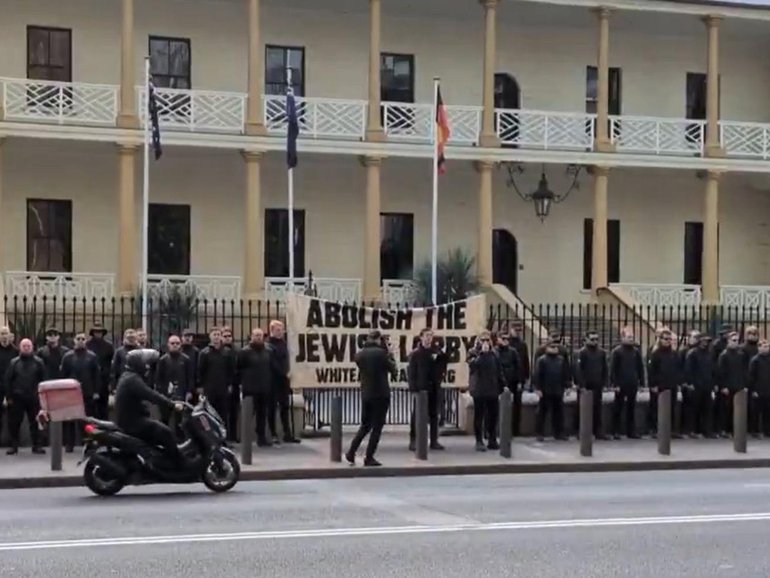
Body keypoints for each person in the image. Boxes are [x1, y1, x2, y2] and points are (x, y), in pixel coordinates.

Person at [114, 349, 186, 466]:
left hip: (131, 419)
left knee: (157, 433)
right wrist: (172, 405)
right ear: (138, 364)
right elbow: (152, 395)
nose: (147, 366)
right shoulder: (133, 380)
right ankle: (179, 464)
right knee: (166, 432)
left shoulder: (128, 376)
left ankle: (157, 460)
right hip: (133, 422)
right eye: (145, 363)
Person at [346, 330, 397, 466]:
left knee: (365, 425)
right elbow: (394, 371)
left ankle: (351, 452)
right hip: (381, 394)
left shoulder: (360, 355)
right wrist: (390, 354)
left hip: (366, 394)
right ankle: (369, 457)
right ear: (379, 339)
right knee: (377, 427)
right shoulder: (382, 354)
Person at [4, 339, 47, 455]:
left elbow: (44, 381)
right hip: (17, 398)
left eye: (28, 346)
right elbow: (8, 380)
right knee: (14, 423)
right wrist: (8, 397)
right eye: (24, 346)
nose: (26, 348)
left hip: (34, 397)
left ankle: (37, 445)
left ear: (32, 347)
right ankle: (14, 446)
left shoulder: (39, 362)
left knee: (35, 422)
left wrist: (42, 398)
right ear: (20, 347)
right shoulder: (14, 362)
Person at [60, 332, 101, 452]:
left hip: (87, 392)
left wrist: (96, 391)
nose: (81, 341)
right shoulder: (67, 357)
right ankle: (69, 444)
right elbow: (63, 375)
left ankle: (88, 442)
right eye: (78, 338)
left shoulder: (92, 356)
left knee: (87, 419)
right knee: (70, 420)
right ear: (74, 340)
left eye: (83, 339)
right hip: (71, 393)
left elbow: (96, 375)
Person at [407, 328, 447, 451]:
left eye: (431, 336)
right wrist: (413, 388)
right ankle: (413, 440)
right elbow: (411, 373)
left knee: (434, 414)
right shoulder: (415, 354)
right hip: (421, 388)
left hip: (434, 387)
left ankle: (434, 440)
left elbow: (442, 368)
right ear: (421, 337)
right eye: (427, 335)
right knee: (417, 415)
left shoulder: (436, 352)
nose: (429, 338)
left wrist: (441, 356)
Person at [468, 331, 506, 451]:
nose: (485, 343)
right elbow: (473, 366)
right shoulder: (473, 353)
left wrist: (503, 384)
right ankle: (479, 440)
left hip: (492, 389)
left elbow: (499, 370)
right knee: (479, 416)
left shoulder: (495, 354)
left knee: (493, 415)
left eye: (487, 340)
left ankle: (492, 439)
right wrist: (482, 354)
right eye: (482, 340)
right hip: (479, 389)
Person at [237, 328, 274, 447]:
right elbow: (239, 368)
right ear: (251, 337)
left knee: (262, 414)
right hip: (250, 388)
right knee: (248, 414)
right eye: (256, 335)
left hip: (264, 387)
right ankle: (245, 438)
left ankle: (261, 438)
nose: (258, 337)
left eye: (260, 335)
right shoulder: (244, 351)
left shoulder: (268, 351)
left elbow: (271, 367)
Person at [267, 320, 300, 444]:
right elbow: (272, 363)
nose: (281, 332)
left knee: (285, 407)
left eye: (282, 329)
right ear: (272, 330)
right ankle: (273, 433)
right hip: (273, 380)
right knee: (271, 407)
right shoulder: (269, 345)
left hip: (284, 381)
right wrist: (284, 373)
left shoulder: (284, 343)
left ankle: (287, 433)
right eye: (278, 330)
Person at [155, 335, 195, 435]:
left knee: (180, 420)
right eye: (172, 343)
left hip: (181, 394)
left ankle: (179, 440)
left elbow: (190, 376)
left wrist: (189, 391)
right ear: (168, 345)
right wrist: (160, 392)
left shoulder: (186, 359)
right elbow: (158, 378)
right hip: (166, 395)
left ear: (180, 344)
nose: (175, 345)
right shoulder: (163, 360)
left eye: (177, 343)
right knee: (164, 419)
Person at [609, 327, 644, 440]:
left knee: (631, 408)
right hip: (621, 383)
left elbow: (640, 367)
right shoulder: (617, 351)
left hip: (632, 383)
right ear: (622, 337)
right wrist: (615, 384)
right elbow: (613, 369)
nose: (631, 339)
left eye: (632, 337)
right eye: (629, 337)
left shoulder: (636, 351)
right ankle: (615, 431)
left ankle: (631, 431)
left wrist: (641, 382)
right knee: (618, 408)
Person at [647, 328, 682, 439]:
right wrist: (652, 385)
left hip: (671, 384)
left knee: (671, 407)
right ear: (660, 340)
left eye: (669, 339)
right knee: (656, 408)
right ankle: (655, 429)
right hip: (659, 385)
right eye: (665, 339)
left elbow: (678, 368)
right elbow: (651, 370)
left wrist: (678, 382)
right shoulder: (656, 354)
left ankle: (670, 430)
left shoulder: (674, 354)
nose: (668, 341)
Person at [533, 340, 570, 441]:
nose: (554, 348)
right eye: (552, 347)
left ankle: (559, 433)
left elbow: (565, 373)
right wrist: (538, 388)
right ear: (547, 348)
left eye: (555, 347)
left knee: (559, 413)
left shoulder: (561, 360)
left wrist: (567, 386)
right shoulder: (542, 360)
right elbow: (537, 375)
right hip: (545, 390)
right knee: (542, 412)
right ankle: (539, 433)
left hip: (558, 389)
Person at [575, 331, 608, 440]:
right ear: (586, 340)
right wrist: (581, 385)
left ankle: (597, 431)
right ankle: (580, 431)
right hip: (586, 386)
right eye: (592, 339)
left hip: (597, 385)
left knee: (597, 409)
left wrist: (604, 382)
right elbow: (579, 370)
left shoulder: (601, 352)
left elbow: (605, 368)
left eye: (596, 339)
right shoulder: (582, 353)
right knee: (582, 409)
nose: (595, 342)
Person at [198, 327, 235, 425]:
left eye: (218, 335)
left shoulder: (227, 352)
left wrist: (230, 384)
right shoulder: (204, 353)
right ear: (210, 337)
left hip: (223, 387)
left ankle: (223, 435)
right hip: (209, 388)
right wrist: (201, 386)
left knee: (223, 412)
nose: (216, 337)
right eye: (214, 335)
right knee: (210, 412)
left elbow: (231, 369)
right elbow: (200, 370)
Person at [684, 333, 716, 438]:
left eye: (706, 341)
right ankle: (692, 430)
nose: (705, 343)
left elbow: (712, 370)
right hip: (696, 385)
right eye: (703, 341)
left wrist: (713, 383)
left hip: (707, 385)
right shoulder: (692, 353)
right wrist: (690, 383)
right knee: (694, 409)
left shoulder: (709, 353)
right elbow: (688, 370)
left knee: (707, 409)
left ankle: (707, 430)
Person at [716, 331, 746, 438]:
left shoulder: (740, 354)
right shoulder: (724, 355)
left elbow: (743, 371)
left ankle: (734, 430)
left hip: (738, 385)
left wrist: (743, 385)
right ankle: (724, 429)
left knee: (737, 410)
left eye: (737, 341)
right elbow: (720, 372)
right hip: (728, 386)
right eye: (733, 340)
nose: (736, 343)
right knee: (726, 409)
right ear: (728, 341)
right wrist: (723, 386)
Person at [86, 323, 114, 420]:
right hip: (90, 380)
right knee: (91, 407)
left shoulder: (109, 346)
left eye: (100, 332)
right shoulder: (87, 345)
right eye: (96, 332)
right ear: (92, 333)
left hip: (104, 379)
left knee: (103, 407)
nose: (98, 333)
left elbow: (112, 364)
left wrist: (111, 380)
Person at [508, 323, 530, 436]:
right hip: (507, 379)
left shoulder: (522, 345)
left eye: (519, 330)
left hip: (518, 378)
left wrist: (526, 378)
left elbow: (525, 362)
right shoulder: (508, 343)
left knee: (517, 405)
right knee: (505, 404)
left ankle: (515, 429)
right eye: (515, 329)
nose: (517, 332)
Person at [0, 327, 19, 447]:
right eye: (2, 334)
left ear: (10, 335)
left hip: (12, 388)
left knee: (14, 417)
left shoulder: (16, 351)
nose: (4, 336)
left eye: (6, 333)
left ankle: (14, 442)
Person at [748, 339, 770, 438]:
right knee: (756, 412)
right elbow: (751, 376)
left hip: (768, 390)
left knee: (767, 412)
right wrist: (753, 390)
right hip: (758, 390)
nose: (766, 349)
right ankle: (755, 431)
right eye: (764, 347)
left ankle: (767, 431)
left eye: (767, 347)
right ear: (759, 348)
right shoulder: (755, 360)